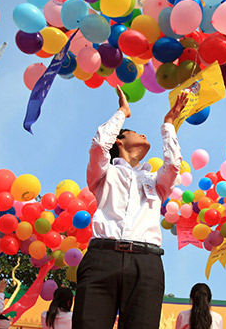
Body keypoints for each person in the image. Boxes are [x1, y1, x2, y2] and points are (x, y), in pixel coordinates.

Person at [72, 86, 188, 329]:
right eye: (135, 132)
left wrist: (168, 123)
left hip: (146, 263)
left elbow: (174, 165)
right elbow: (99, 145)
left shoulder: (155, 181)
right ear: (120, 141)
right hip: (102, 258)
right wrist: (123, 112)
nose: (143, 135)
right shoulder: (104, 172)